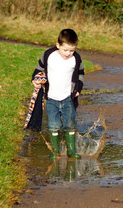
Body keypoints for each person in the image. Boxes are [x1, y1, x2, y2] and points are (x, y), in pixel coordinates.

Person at [31, 29, 84, 159]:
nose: (68, 53)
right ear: (58, 45)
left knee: (69, 124)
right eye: (65, 50)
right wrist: (35, 80)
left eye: (71, 50)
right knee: (53, 125)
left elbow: (81, 74)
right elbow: (38, 69)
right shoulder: (49, 55)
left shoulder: (75, 58)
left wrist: (78, 89)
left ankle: (71, 151)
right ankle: (54, 151)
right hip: (51, 98)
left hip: (68, 98)